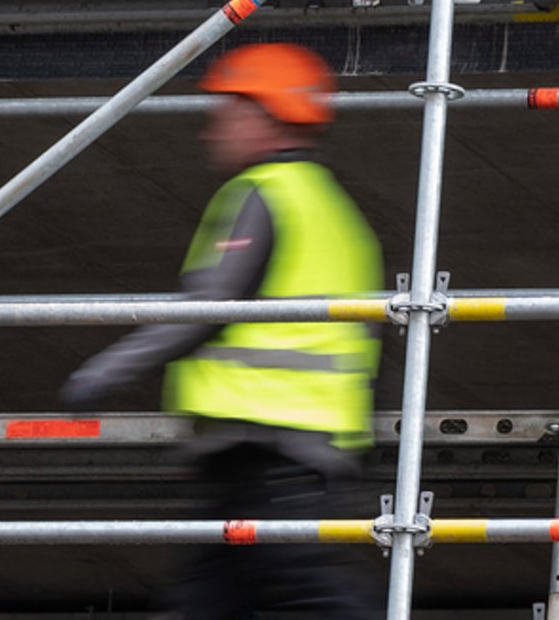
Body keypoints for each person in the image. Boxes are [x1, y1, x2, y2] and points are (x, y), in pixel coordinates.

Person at [59, 42, 385, 619]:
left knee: (303, 588)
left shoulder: (264, 193)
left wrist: (104, 371)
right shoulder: (335, 210)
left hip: (275, 444)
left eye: (225, 112)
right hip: (286, 448)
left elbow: (207, 305)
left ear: (264, 114)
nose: (211, 130)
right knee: (206, 601)